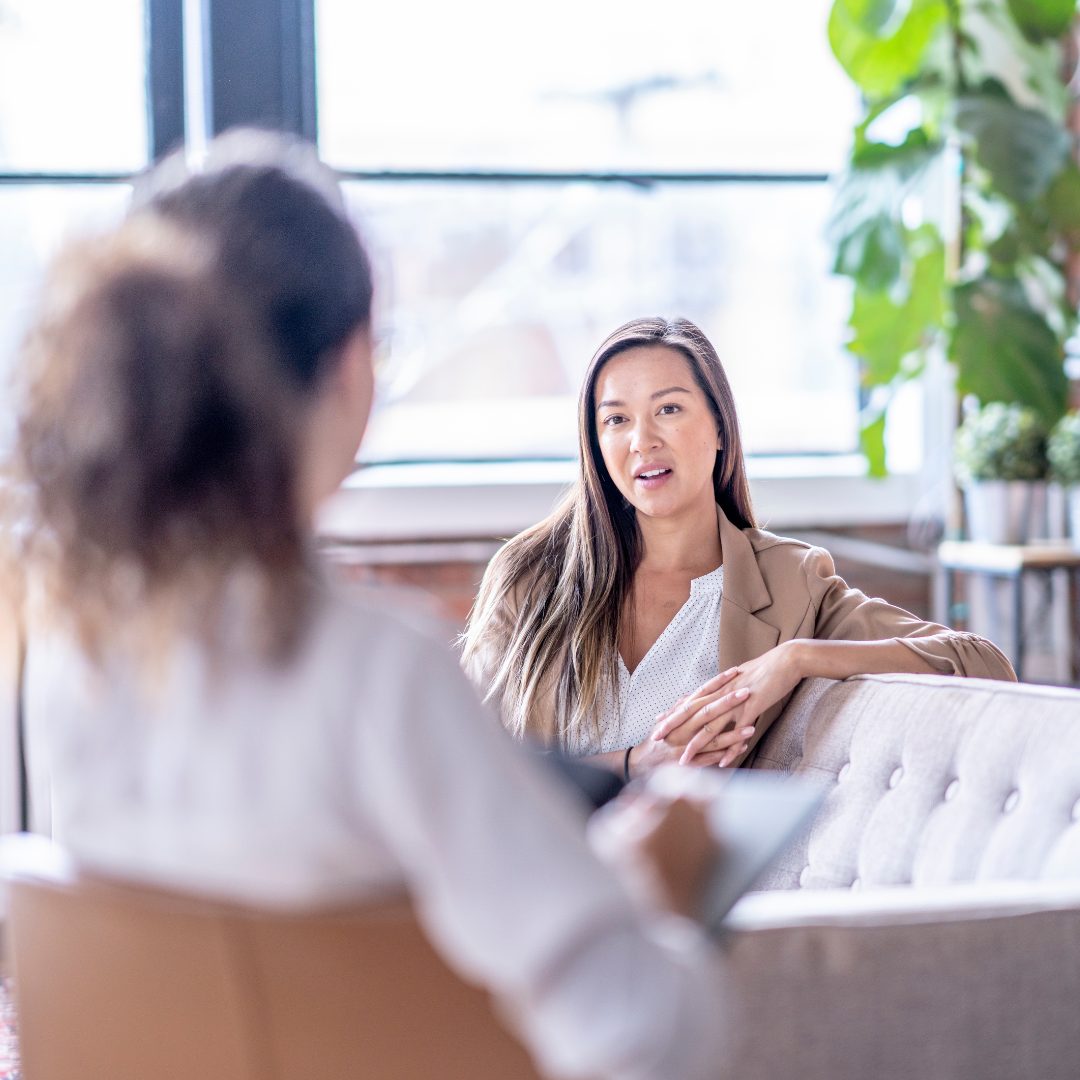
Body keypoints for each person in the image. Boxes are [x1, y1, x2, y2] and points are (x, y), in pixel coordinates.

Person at [5, 133, 732, 1080]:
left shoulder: (73, 653)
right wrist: (649, 896)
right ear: (350, 364)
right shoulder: (377, 672)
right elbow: (646, 1036)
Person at [461, 317, 1015, 778]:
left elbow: (982, 664)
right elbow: (462, 763)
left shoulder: (790, 582)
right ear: (597, 443)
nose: (643, 440)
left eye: (669, 409)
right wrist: (635, 765)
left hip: (701, 891)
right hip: (543, 878)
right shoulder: (529, 575)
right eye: (616, 419)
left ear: (720, 426)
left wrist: (797, 657)